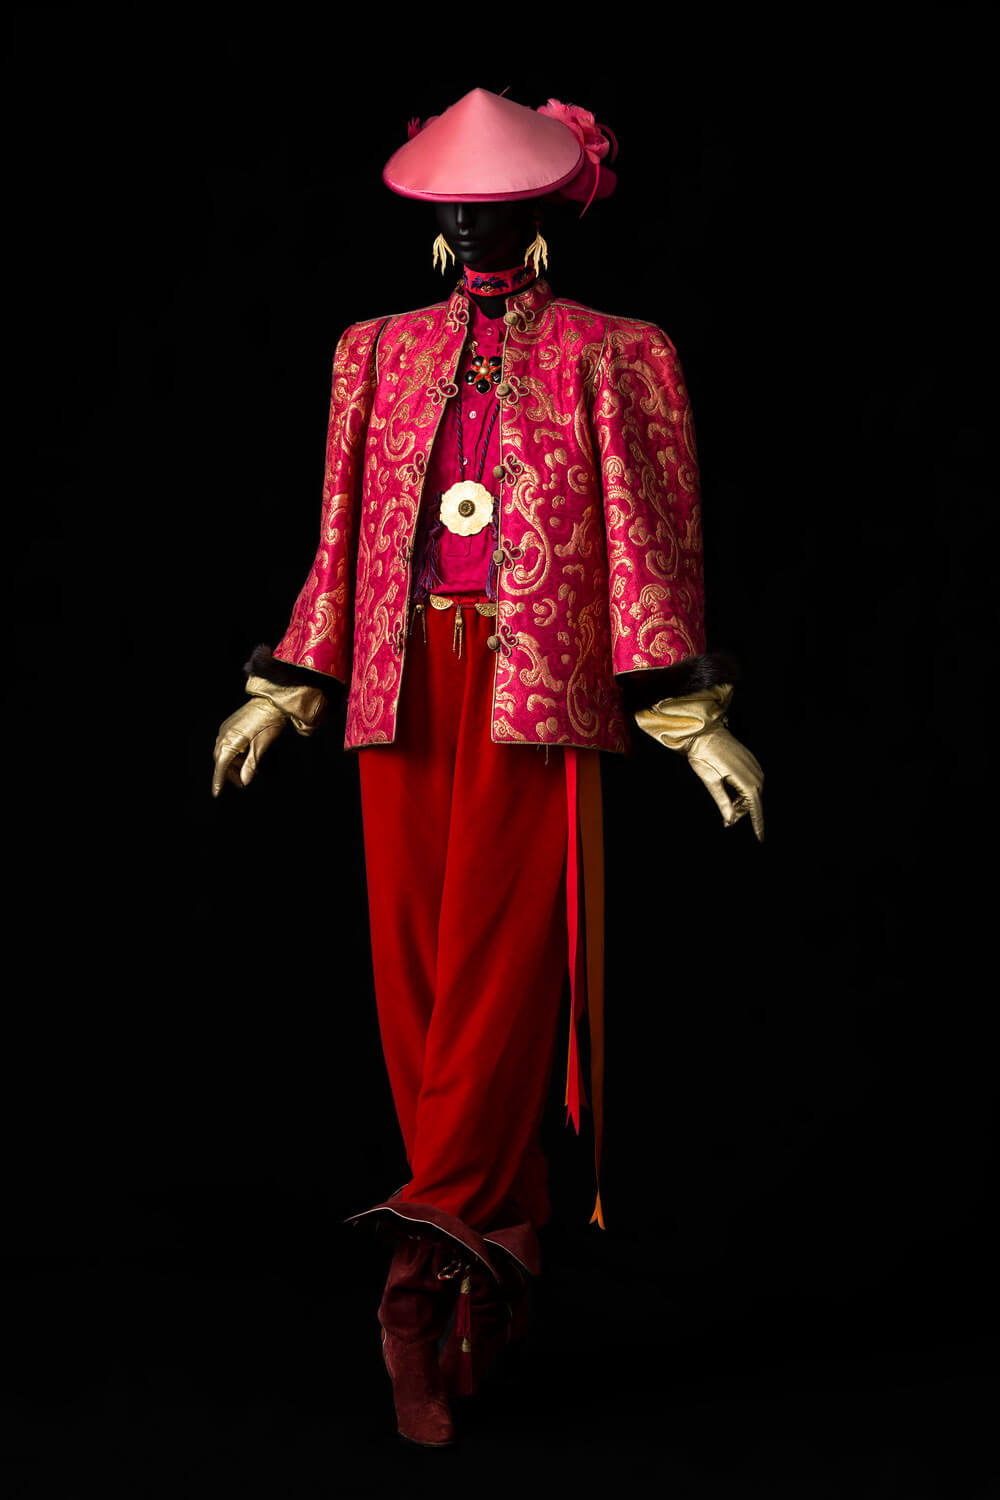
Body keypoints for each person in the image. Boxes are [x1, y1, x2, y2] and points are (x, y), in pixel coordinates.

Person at [211, 87, 764, 1448]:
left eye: (500, 206)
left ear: (547, 213)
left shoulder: (618, 354)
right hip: (397, 694)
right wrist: (286, 688)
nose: (475, 227)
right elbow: (341, 535)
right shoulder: (373, 352)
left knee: (503, 992)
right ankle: (494, 1262)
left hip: (533, 695)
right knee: (420, 995)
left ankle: (410, 1294)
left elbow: (650, 542)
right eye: (458, 207)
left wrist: (693, 722)